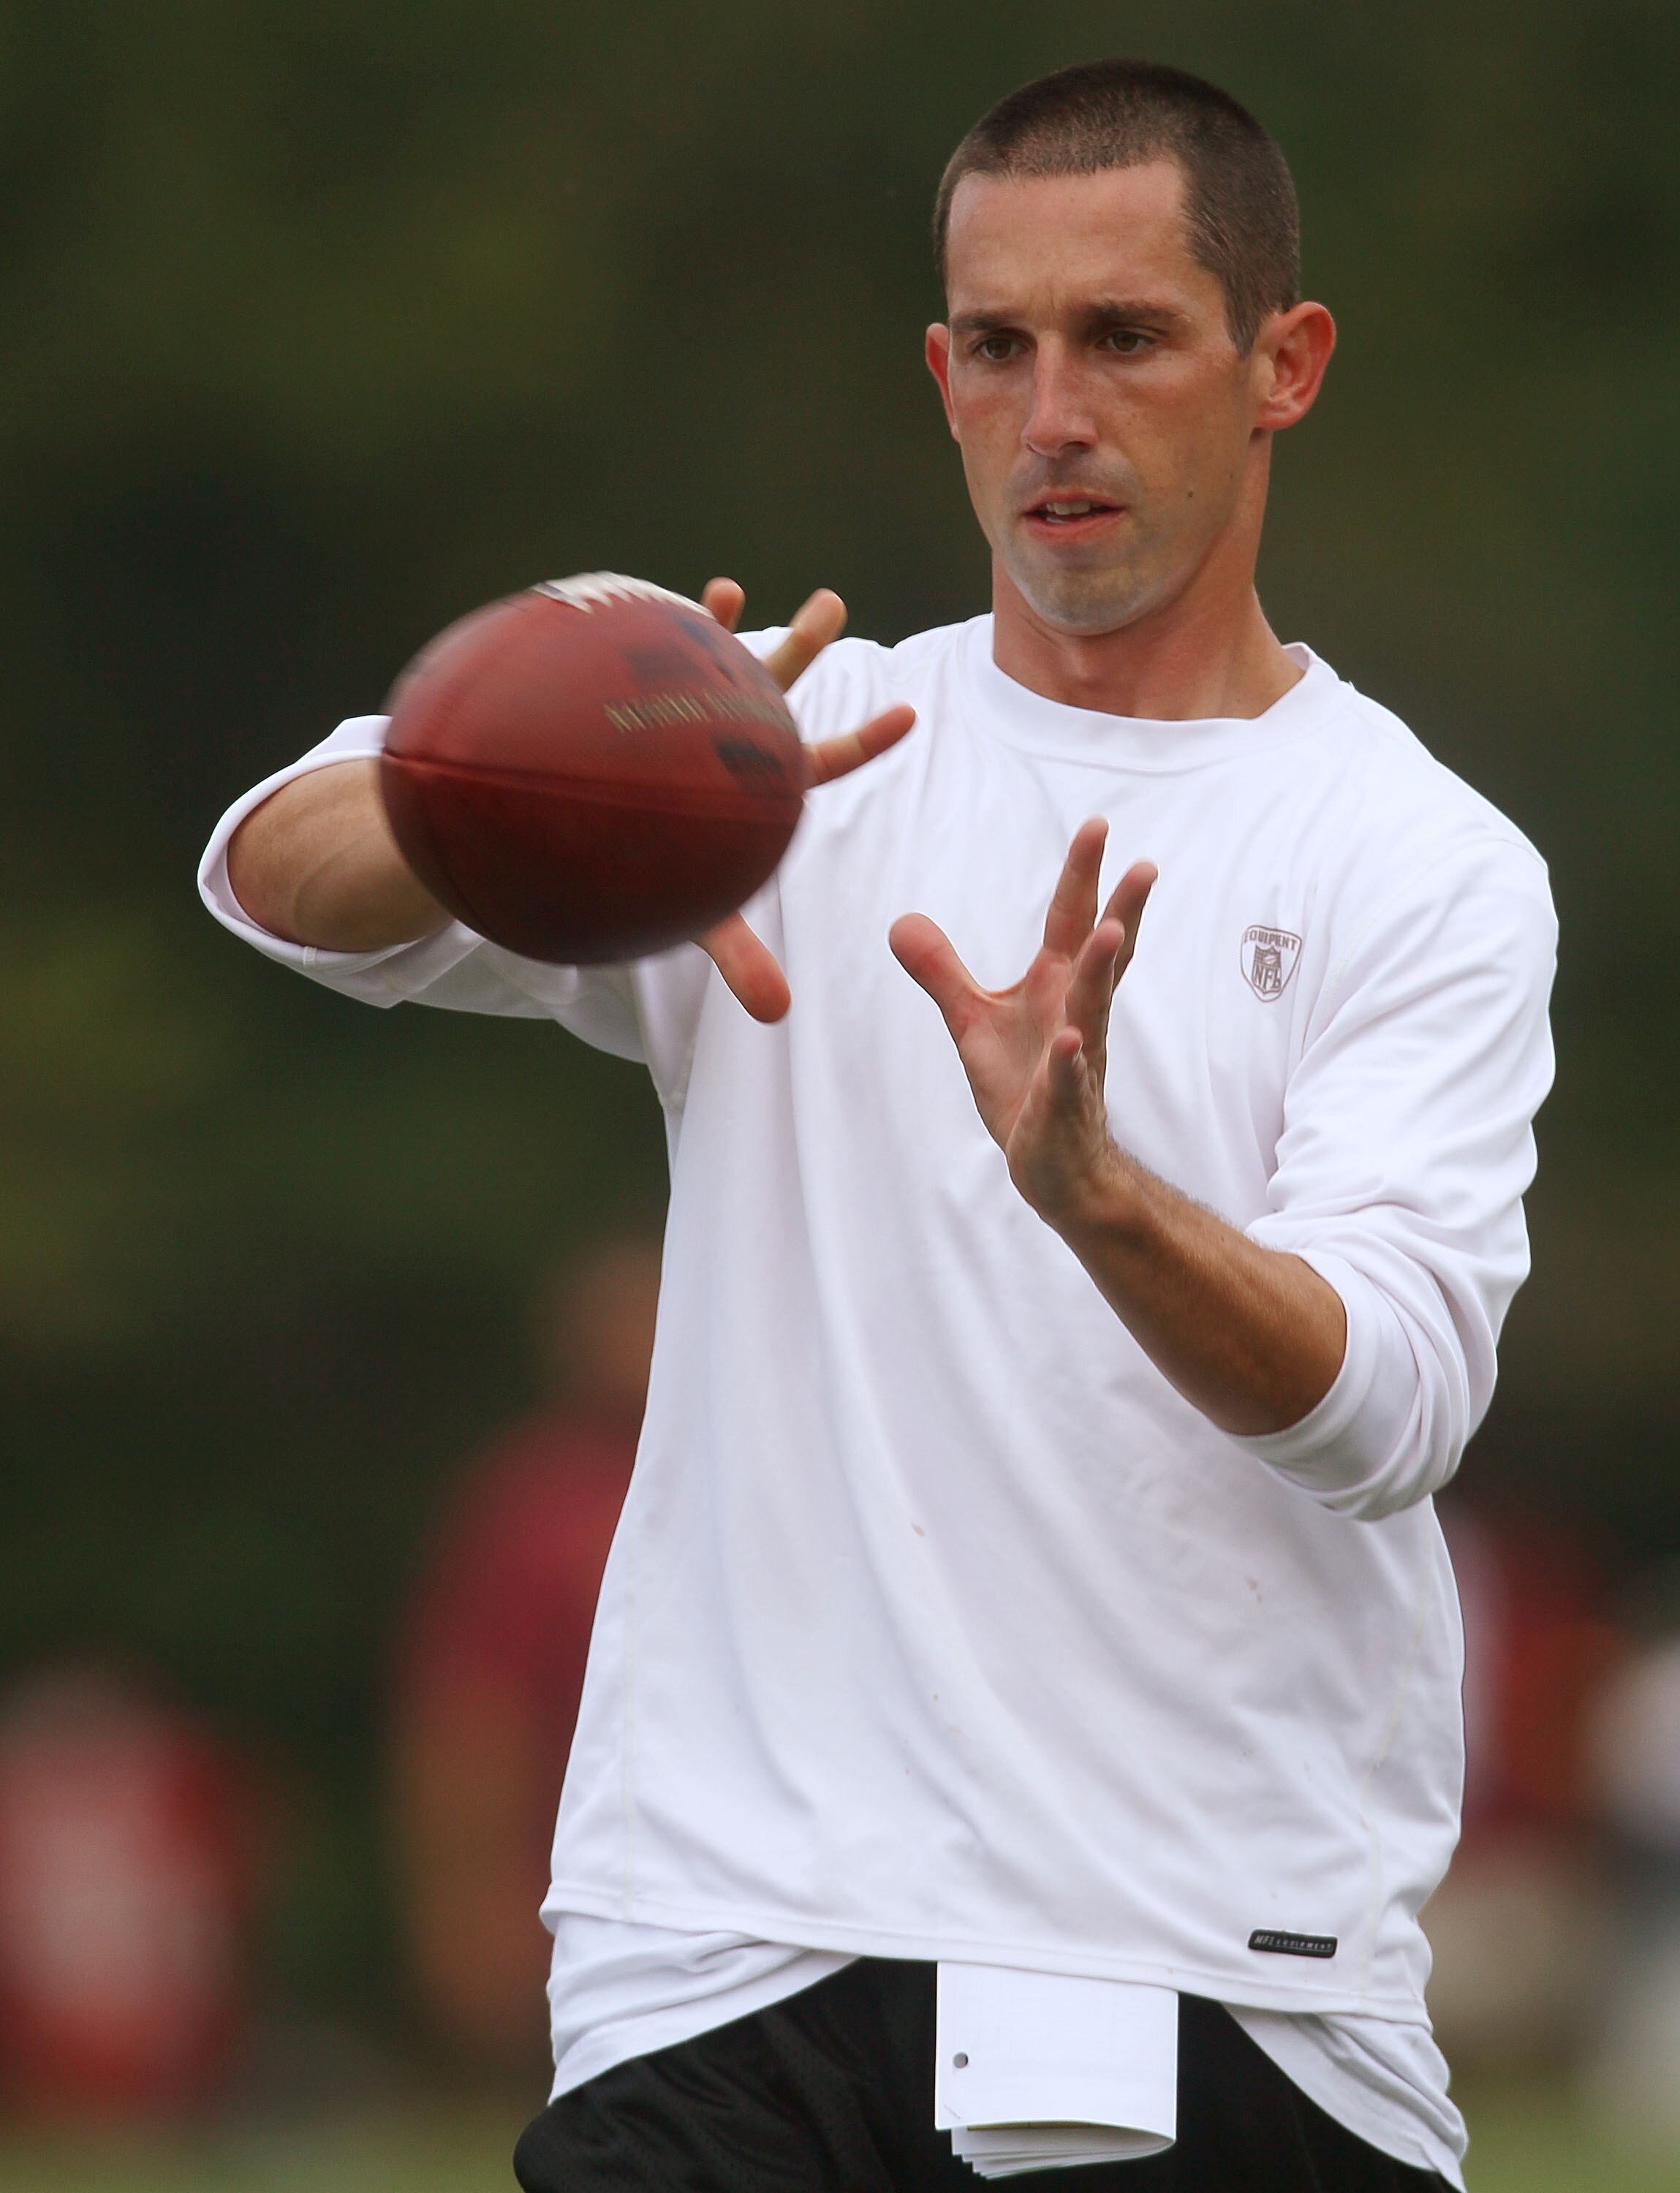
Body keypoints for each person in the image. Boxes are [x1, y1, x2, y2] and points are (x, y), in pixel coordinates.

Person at [199, 56, 1556, 2193]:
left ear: (1280, 362)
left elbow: (1385, 1405)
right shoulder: (765, 763)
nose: (1053, 412)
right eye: (998, 347)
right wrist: (537, 783)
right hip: (730, 1953)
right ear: (939, 371)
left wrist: (1097, 1199)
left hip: (1223, 1962)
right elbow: (280, 878)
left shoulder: (1416, 857)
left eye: (1122, 337)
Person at [390, 1240, 660, 2074]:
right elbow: (469, 1722)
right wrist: (466, 1899)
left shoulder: (771, 1466)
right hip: (579, 1894)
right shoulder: (535, 1501)